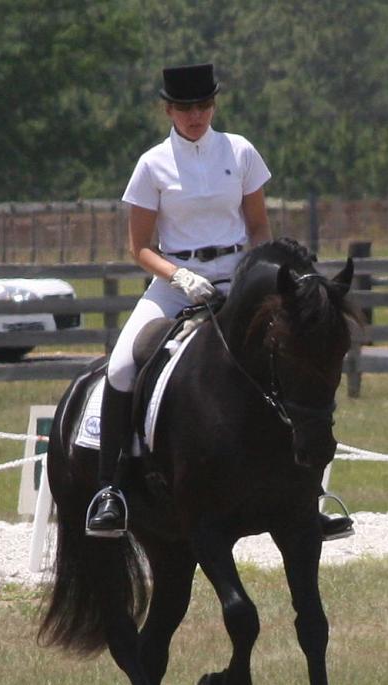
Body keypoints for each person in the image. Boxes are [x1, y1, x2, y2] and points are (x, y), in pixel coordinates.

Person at [86, 63, 353, 542]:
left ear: (214, 104)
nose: (196, 116)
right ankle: (111, 490)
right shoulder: (152, 165)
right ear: (168, 109)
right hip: (175, 281)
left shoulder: (240, 151)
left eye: (204, 105)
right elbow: (139, 247)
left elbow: (257, 227)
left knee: (291, 360)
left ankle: (307, 497)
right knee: (122, 366)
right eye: (186, 108)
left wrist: (253, 274)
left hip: (240, 277)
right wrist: (180, 276)